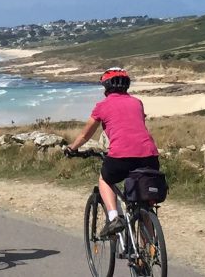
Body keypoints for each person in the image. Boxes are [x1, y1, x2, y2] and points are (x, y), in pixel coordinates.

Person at [65, 67, 159, 236]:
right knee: (143, 201)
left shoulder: (102, 106)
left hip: (121, 156)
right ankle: (151, 250)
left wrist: (72, 148)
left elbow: (86, 134)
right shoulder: (137, 102)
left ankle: (114, 217)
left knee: (105, 178)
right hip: (150, 155)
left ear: (106, 86)